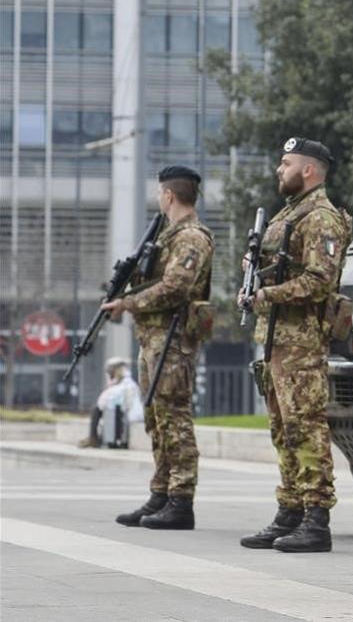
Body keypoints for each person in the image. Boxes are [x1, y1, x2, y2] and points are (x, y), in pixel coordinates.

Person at [239, 137, 352, 553]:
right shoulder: (289, 215)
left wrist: (266, 296)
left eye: (285, 163)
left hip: (302, 342)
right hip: (276, 341)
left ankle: (316, 519)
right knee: (282, 429)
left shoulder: (321, 217)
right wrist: (253, 280)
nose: (278, 170)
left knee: (306, 428)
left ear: (308, 170)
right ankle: (289, 510)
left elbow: (319, 282)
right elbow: (277, 269)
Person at [104, 165, 214, 530]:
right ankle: (161, 493)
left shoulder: (191, 237)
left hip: (173, 340)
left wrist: (128, 303)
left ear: (168, 195)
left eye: (159, 193)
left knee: (174, 419)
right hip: (152, 339)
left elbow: (176, 288)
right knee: (157, 420)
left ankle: (181, 501)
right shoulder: (168, 236)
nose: (158, 199)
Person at [77, 357, 143, 449]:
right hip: (122, 414)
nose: (109, 373)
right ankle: (94, 438)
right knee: (101, 411)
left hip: (130, 416)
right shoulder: (118, 383)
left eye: (111, 370)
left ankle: (93, 438)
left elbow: (106, 400)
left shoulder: (127, 384)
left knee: (98, 410)